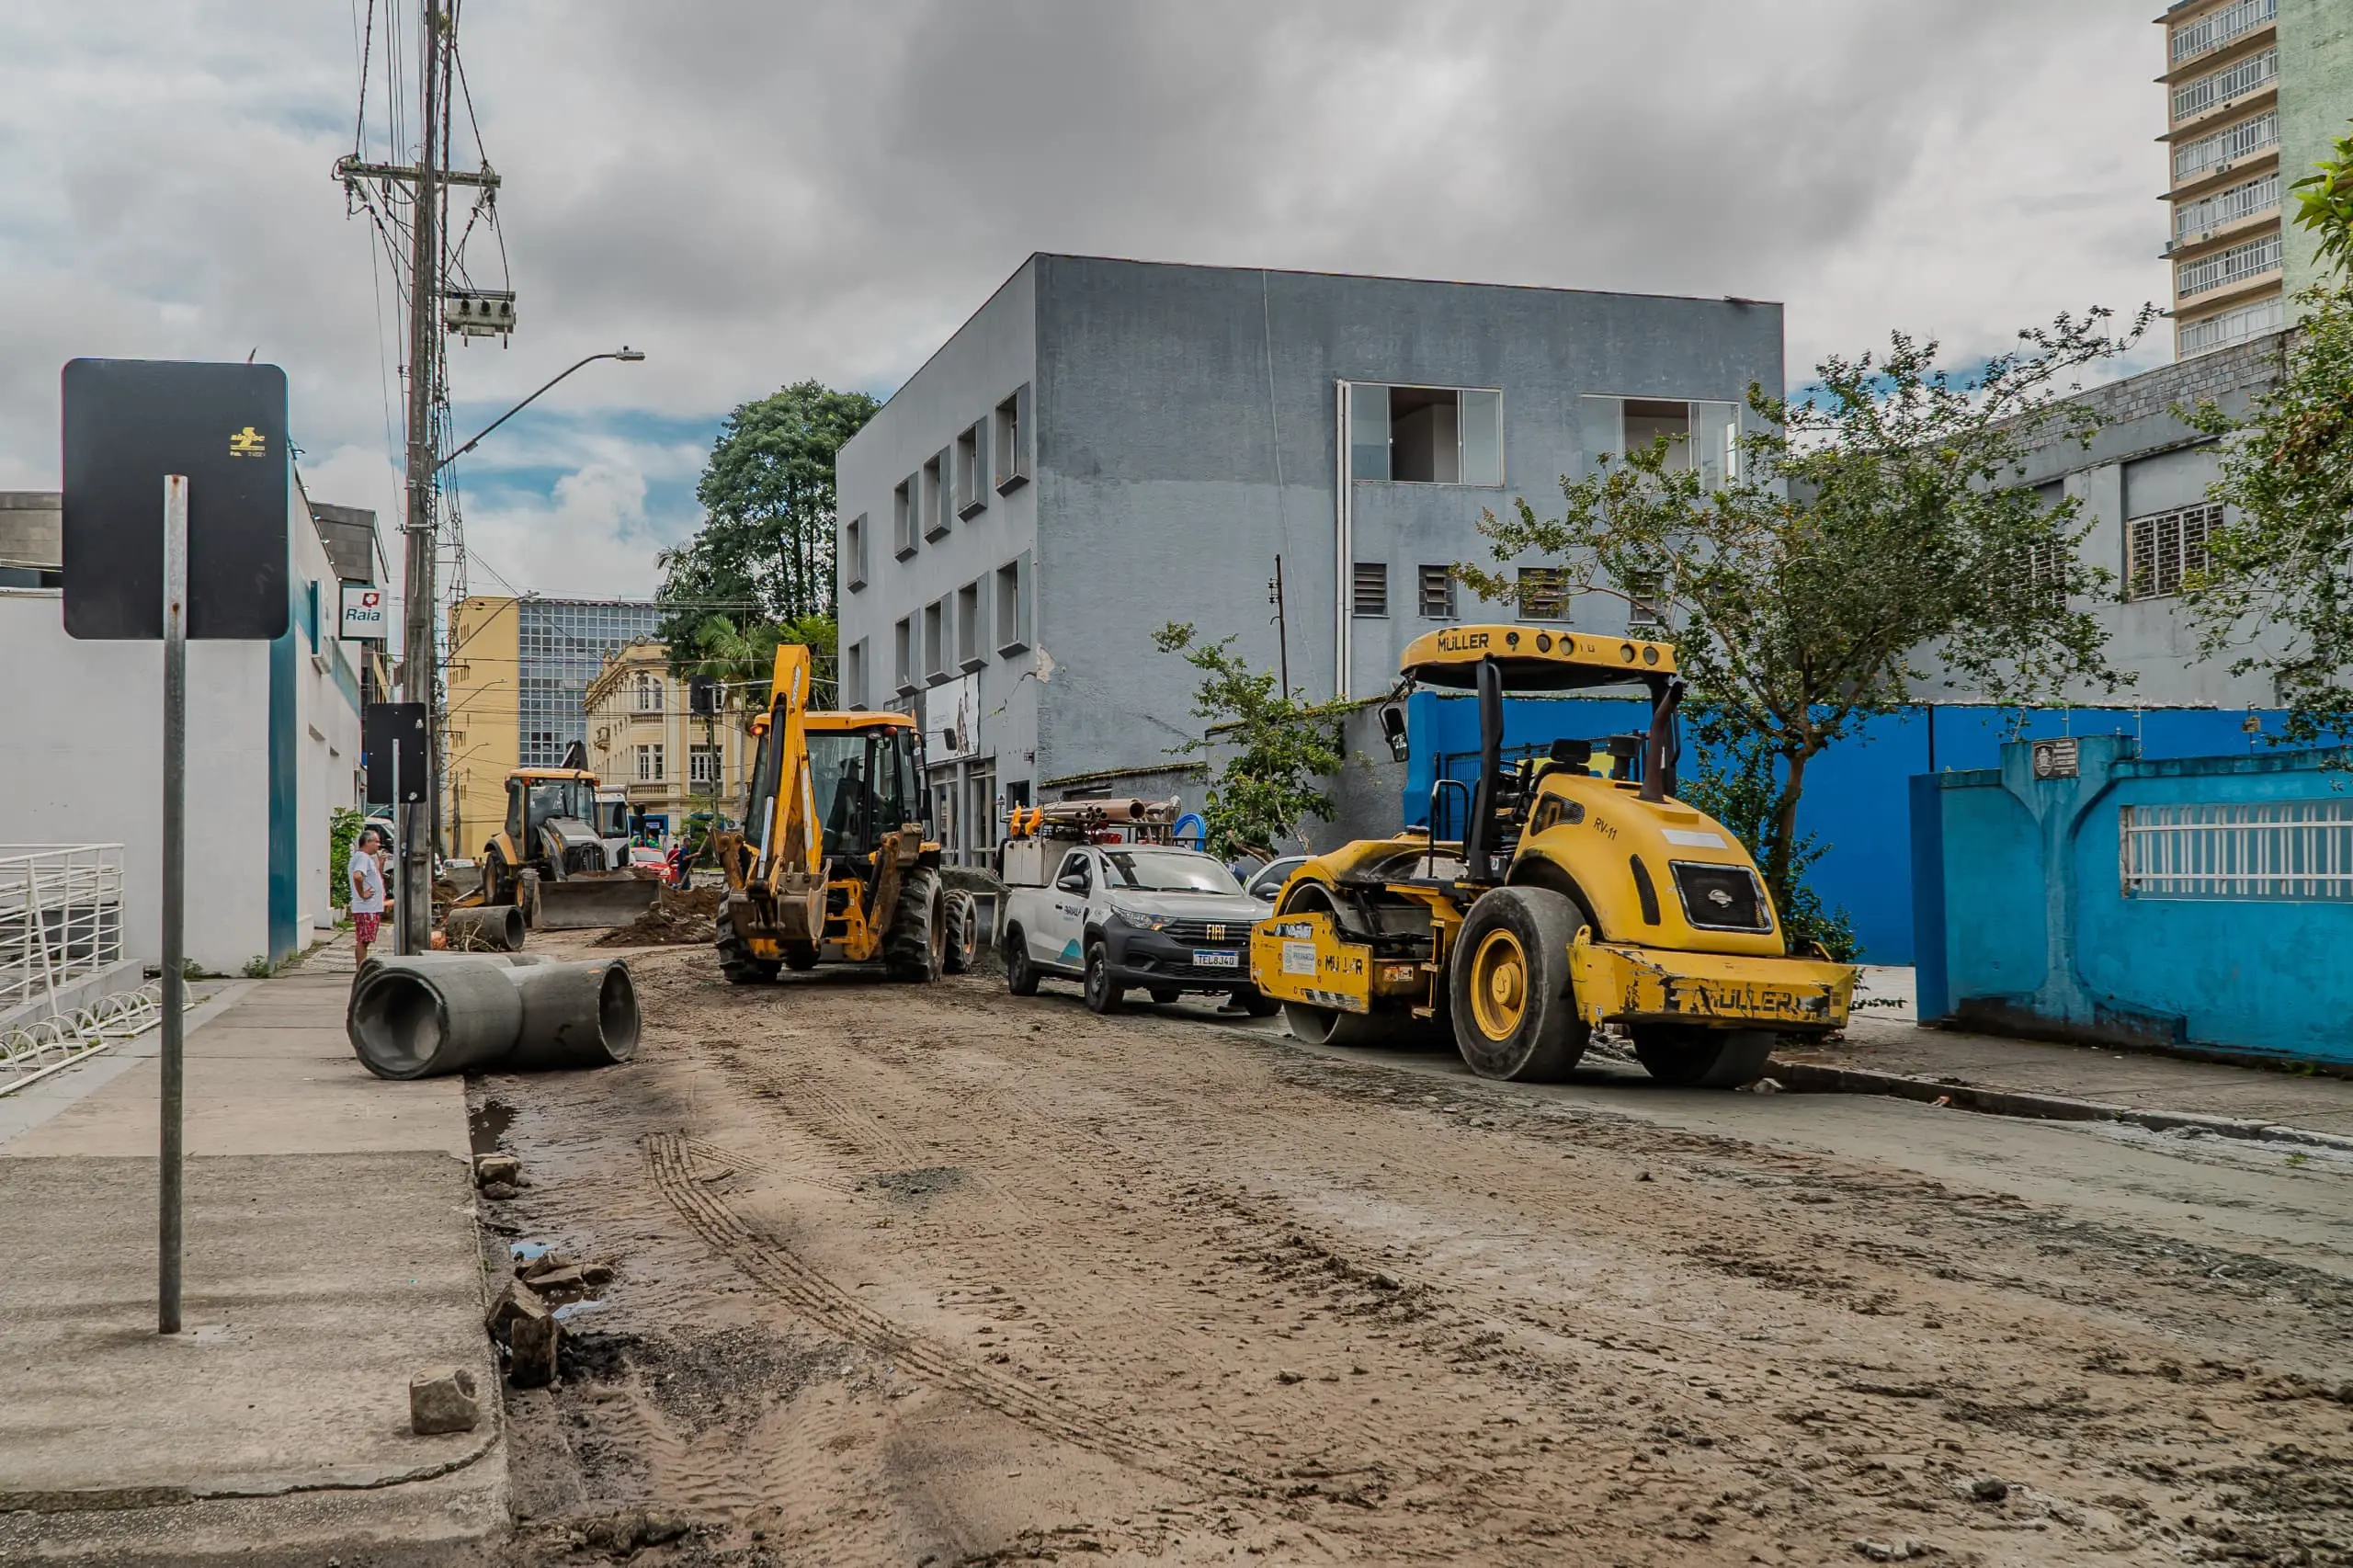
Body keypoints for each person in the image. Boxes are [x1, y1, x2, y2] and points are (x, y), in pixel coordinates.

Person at [349, 825, 388, 968]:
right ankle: (360, 969)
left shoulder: (366, 859)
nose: (379, 845)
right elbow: (357, 876)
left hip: (370, 907)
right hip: (366, 907)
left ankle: (361, 968)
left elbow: (372, 878)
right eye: (376, 842)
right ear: (367, 842)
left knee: (366, 939)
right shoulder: (362, 858)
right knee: (364, 940)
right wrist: (362, 893)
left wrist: (381, 865)